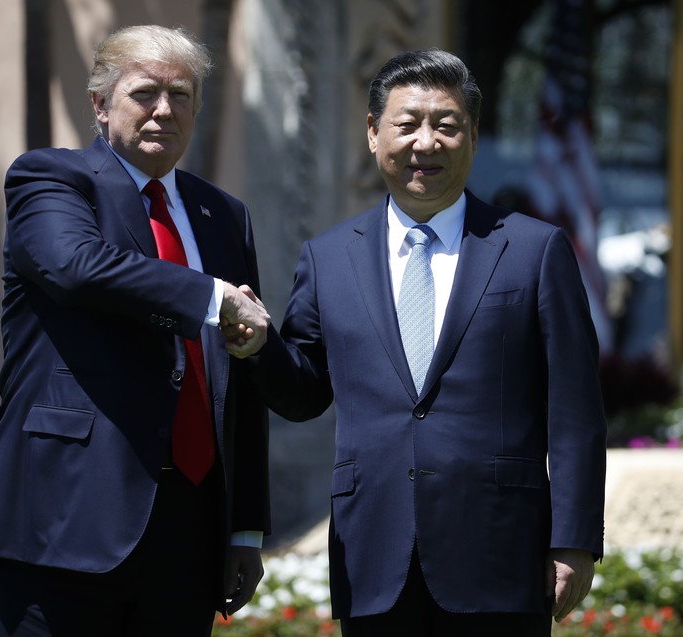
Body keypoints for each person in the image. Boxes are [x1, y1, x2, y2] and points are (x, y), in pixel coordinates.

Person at [231, 49, 606, 636]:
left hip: (501, 555)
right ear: (375, 135)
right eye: (407, 124)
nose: (425, 142)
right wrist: (259, 347)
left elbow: (577, 410)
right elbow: (305, 391)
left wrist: (576, 540)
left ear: (474, 137)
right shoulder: (328, 257)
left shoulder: (535, 249)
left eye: (446, 125)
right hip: (373, 555)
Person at [0, 25, 271, 637]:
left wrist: (243, 527)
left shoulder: (224, 215)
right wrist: (212, 296)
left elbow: (240, 378)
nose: (163, 110)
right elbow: (76, 267)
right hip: (61, 515)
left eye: (181, 95)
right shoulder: (51, 179)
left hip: (187, 530)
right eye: (144, 93)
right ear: (100, 105)